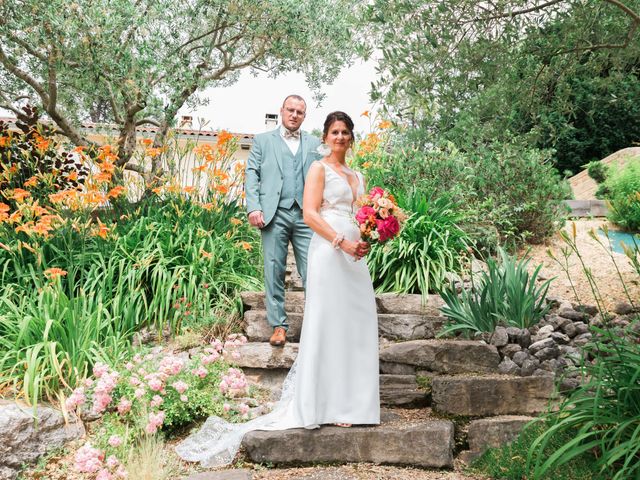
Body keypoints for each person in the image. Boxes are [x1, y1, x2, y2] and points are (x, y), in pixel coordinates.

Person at [176, 111, 379, 466]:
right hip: (329, 252)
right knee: (328, 323)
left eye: (346, 132)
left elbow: (361, 215)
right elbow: (311, 214)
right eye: (335, 131)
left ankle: (355, 402)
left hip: (354, 255)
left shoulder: (357, 176)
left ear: (352, 137)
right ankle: (323, 404)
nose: (341, 137)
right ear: (326, 136)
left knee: (358, 324)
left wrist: (371, 234)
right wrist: (340, 242)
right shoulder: (318, 168)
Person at [244, 94, 322, 347]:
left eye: (299, 112)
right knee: (274, 269)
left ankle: (315, 325)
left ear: (304, 115)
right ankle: (278, 326)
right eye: (290, 110)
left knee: (314, 270)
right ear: (281, 110)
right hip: (272, 213)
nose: (294, 115)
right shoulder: (263, 140)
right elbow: (252, 173)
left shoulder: (314, 143)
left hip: (305, 215)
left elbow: (325, 174)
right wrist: (253, 207)